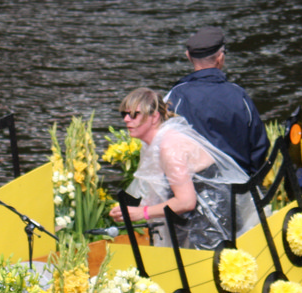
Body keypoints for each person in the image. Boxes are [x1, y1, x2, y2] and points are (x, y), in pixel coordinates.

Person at [109, 87, 257, 250]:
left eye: (134, 114)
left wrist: (142, 213)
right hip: (199, 217)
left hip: (212, 222)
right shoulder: (157, 140)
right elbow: (160, 189)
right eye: (124, 114)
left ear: (154, 117)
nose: (126, 120)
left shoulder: (170, 146)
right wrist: (132, 210)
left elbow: (186, 201)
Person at [165, 27, 270, 177]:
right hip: (238, 184)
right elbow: (259, 144)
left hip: (193, 186)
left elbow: (163, 143)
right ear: (220, 58)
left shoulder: (176, 96)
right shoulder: (239, 95)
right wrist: (249, 178)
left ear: (188, 56)